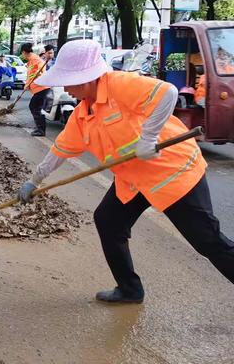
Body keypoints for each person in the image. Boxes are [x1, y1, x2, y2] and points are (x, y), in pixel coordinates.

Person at [18, 39, 234, 303]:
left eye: (69, 81)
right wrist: (34, 180)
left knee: (207, 241)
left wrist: (148, 138)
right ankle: (130, 289)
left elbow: (167, 93)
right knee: (108, 221)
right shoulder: (82, 114)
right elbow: (59, 151)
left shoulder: (118, 84)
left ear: (86, 79)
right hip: (135, 179)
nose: (65, 88)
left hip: (173, 173)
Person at [20, 43, 53, 137]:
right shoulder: (30, 61)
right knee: (35, 107)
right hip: (38, 88)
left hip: (42, 88)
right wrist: (27, 85)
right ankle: (39, 128)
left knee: (35, 107)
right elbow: (30, 76)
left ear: (24, 52)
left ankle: (41, 130)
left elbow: (41, 66)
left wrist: (40, 72)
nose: (22, 55)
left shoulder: (35, 59)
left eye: (22, 53)